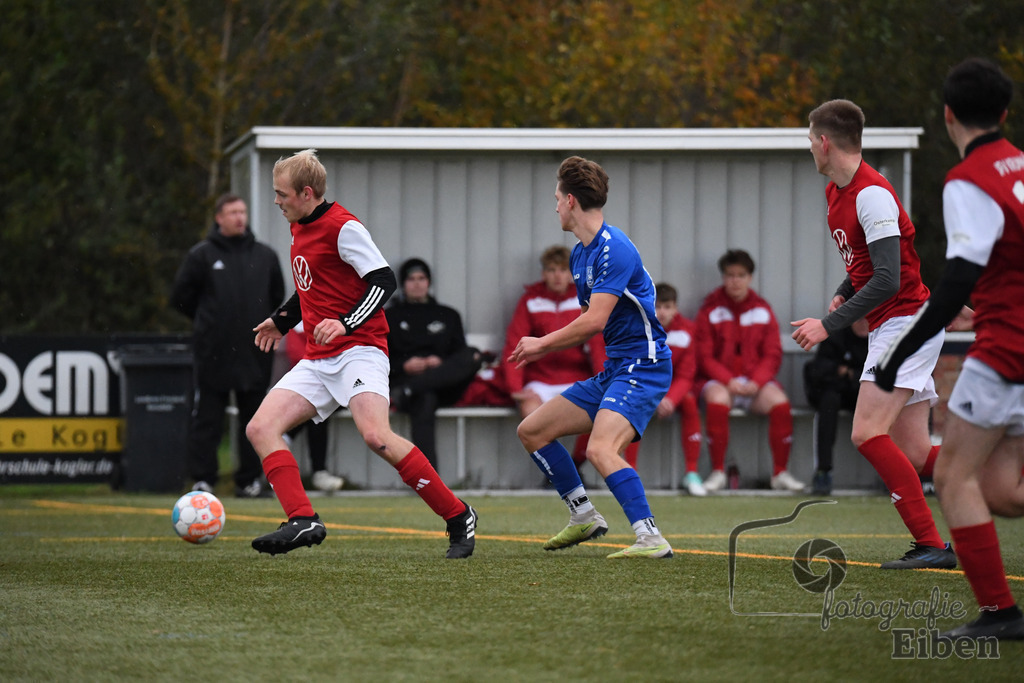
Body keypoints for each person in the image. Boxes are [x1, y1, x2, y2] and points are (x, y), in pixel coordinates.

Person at [246, 149, 477, 558]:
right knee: (260, 428)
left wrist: (347, 323)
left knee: (376, 436)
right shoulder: (300, 225)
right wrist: (282, 320)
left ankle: (458, 516)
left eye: (281, 194)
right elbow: (312, 286)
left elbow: (383, 281)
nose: (277, 201)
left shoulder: (343, 226)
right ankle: (302, 518)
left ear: (305, 192)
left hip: (360, 351)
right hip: (320, 358)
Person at [875, 58, 1024, 639]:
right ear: (1005, 113)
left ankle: (999, 613)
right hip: (1013, 341)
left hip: (1006, 351)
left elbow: (960, 277)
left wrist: (900, 349)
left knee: (957, 477)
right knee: (1002, 491)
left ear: (947, 114)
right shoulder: (1019, 164)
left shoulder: (969, 178)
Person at [793, 98, 955, 570]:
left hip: (906, 325)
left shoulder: (871, 193)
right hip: (897, 325)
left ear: (825, 143)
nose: (810, 150)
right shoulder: (836, 192)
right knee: (915, 451)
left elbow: (888, 279)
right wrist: (844, 291)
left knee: (866, 432)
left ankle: (931, 544)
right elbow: (865, 265)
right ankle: (999, 478)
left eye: (809, 141)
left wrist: (827, 325)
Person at [509, 155, 673, 559]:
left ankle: (651, 538)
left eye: (556, 198)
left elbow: (594, 321)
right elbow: (591, 321)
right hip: (616, 368)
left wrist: (541, 343)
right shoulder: (580, 254)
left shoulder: (614, 249)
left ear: (570, 201)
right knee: (532, 431)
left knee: (600, 449)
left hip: (644, 366)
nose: (555, 206)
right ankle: (583, 515)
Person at [170, 194, 284, 498]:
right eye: (232, 212)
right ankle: (204, 480)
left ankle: (248, 481)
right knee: (207, 419)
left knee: (254, 420)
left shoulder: (265, 256)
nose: (239, 217)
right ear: (218, 217)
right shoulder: (202, 255)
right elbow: (181, 298)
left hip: (254, 352)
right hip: (213, 353)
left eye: (243, 211)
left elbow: (277, 297)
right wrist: (210, 323)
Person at [695, 249, 804, 492]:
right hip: (721, 383)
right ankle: (718, 473)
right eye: (730, 275)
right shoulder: (710, 309)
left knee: (779, 403)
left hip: (755, 383)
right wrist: (728, 380)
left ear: (750, 277)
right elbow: (703, 356)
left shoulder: (762, 309)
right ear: (723, 277)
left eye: (741, 275)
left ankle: (780, 474)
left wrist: (757, 380)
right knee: (717, 399)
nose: (735, 280)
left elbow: (773, 353)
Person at [500, 245, 610, 474]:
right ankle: (557, 472)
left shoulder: (584, 300)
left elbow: (598, 345)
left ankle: (575, 466)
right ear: (543, 274)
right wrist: (515, 388)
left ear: (571, 273)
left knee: (601, 410)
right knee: (531, 414)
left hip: (576, 378)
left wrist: (605, 380)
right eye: (551, 270)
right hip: (540, 380)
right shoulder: (530, 301)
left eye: (562, 270)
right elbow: (514, 344)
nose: (557, 276)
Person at [385, 258, 486, 469]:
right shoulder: (389, 316)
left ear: (429, 282)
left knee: (474, 355)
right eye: (411, 279)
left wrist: (440, 362)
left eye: (421, 278)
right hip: (404, 380)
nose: (417, 283)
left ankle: (410, 389)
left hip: (444, 384)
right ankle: (428, 480)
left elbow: (461, 355)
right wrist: (405, 365)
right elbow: (379, 359)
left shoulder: (448, 315)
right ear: (403, 284)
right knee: (425, 399)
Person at [645, 282, 706, 496]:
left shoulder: (687, 331)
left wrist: (670, 398)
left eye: (667, 307)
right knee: (631, 405)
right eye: (657, 306)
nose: (662, 312)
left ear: (675, 308)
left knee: (689, 402)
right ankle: (628, 473)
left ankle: (691, 473)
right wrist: (653, 394)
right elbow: (634, 369)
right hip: (644, 389)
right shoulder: (637, 328)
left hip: (672, 392)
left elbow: (687, 373)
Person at [802, 321, 869, 495]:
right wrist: (854, 374)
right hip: (836, 391)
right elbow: (820, 370)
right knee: (828, 404)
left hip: (866, 393)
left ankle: (892, 473)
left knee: (885, 408)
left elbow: (883, 373)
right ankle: (823, 472)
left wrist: (849, 373)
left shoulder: (883, 332)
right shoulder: (837, 334)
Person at [283, 323, 345, 492]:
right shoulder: (300, 321)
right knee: (318, 411)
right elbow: (297, 356)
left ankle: (286, 436)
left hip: (339, 384)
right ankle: (319, 472)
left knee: (319, 408)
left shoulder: (341, 315)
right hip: (310, 383)